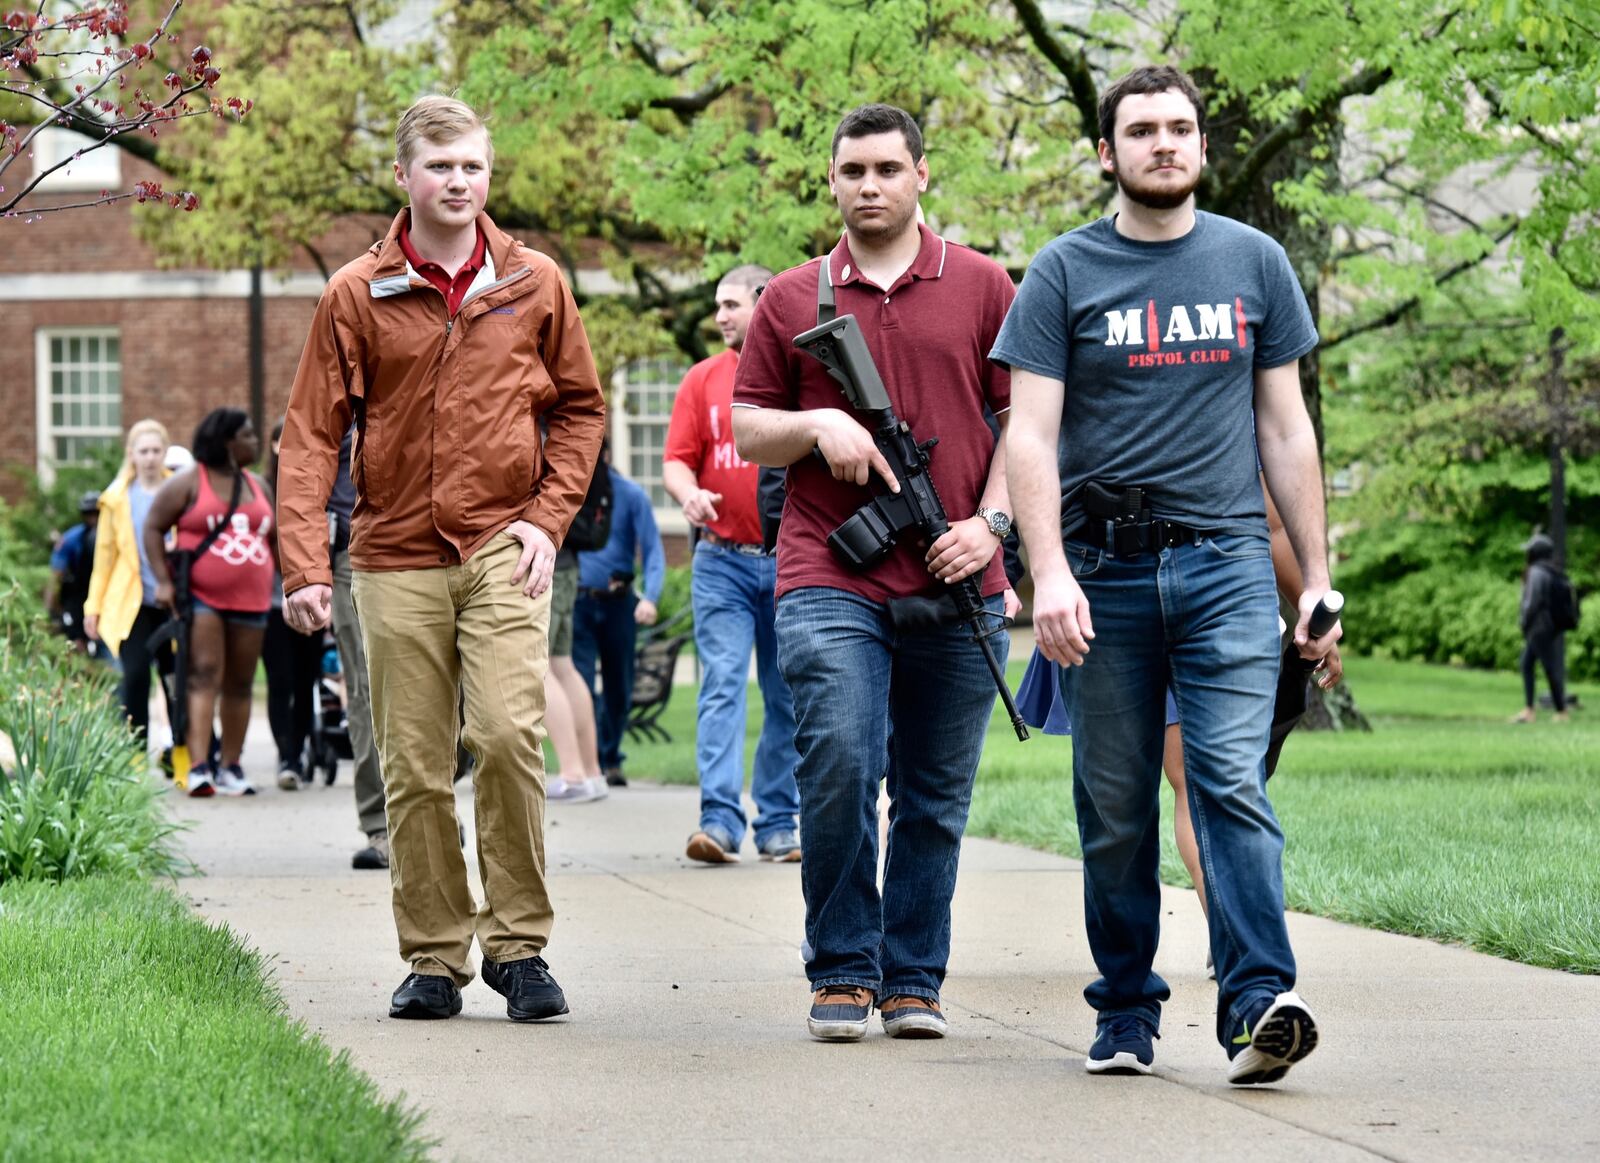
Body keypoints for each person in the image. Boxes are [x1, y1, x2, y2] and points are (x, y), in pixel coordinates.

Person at [995, 65, 1341, 1086]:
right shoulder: (1061, 271)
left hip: (1228, 563)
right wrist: (1045, 569)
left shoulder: (1255, 261)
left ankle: (1256, 1002)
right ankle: (1125, 1006)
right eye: (1139, 129)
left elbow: (1284, 426)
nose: (1162, 143)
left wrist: (1314, 575)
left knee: (1227, 776)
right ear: (1106, 152)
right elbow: (1031, 431)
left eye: (1178, 128)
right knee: (1112, 802)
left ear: (1200, 146)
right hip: (1099, 574)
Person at [276, 95, 606, 1023]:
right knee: (414, 764)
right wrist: (304, 564)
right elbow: (309, 437)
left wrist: (547, 519)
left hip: (505, 544)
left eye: (473, 166)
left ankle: (519, 947)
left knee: (506, 736)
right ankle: (432, 956)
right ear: (404, 177)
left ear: (488, 176)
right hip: (393, 557)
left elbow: (580, 408)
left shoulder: (534, 282)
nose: (459, 182)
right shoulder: (355, 292)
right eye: (441, 166)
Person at [732, 104, 1020, 1041]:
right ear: (831, 179)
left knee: (936, 791)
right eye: (852, 170)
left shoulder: (983, 285)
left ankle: (913, 977)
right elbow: (746, 427)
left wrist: (993, 525)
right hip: (829, 564)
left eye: (888, 169)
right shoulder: (790, 296)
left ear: (921, 175)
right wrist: (817, 426)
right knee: (841, 760)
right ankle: (844, 967)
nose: (870, 186)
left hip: (957, 569)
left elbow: (1027, 423)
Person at [664, 263, 803, 864]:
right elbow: (676, 460)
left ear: (764, 303)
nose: (719, 316)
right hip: (720, 560)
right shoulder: (702, 379)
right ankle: (718, 822)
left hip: (789, 561)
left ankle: (778, 822)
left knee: (788, 695)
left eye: (731, 304)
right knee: (721, 686)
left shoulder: (797, 376)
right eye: (717, 306)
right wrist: (686, 494)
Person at [142, 407, 276, 798]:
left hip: (252, 599)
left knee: (240, 682)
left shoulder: (258, 485)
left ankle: (231, 766)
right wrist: (163, 582)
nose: (254, 441)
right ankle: (200, 766)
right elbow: (152, 527)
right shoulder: (188, 483)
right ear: (226, 441)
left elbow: (276, 540)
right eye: (247, 435)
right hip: (202, 598)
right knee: (203, 673)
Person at [572, 443, 665, 787]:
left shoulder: (631, 496)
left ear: (606, 457)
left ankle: (610, 756)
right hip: (576, 602)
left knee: (619, 686)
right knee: (578, 681)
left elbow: (654, 550)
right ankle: (591, 759)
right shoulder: (566, 492)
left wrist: (650, 597)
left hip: (618, 604)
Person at [84, 419, 177, 746]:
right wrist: (92, 607)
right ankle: (136, 759)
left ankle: (181, 758)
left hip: (172, 602)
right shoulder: (117, 498)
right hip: (132, 603)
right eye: (144, 451)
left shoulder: (179, 488)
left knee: (174, 678)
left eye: (156, 450)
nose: (150, 457)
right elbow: (104, 559)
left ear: (165, 452)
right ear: (132, 454)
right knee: (136, 676)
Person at [262, 419, 325, 790]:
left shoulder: (313, 481)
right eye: (278, 441)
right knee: (279, 681)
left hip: (310, 596)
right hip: (269, 602)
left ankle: (298, 751)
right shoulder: (260, 489)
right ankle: (285, 754)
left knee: (306, 680)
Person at [1513, 532, 1570, 723]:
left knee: (1548, 668)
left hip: (1539, 627)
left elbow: (1532, 601)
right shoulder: (1549, 570)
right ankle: (1531, 709)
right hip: (1546, 626)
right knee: (1527, 664)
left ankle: (1560, 711)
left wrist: (1524, 621)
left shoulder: (1537, 572)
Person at [47, 490, 102, 655]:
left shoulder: (118, 535)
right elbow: (56, 575)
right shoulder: (72, 539)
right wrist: (52, 610)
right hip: (77, 596)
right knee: (75, 641)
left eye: (97, 514)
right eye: (89, 514)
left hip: (106, 595)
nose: (94, 519)